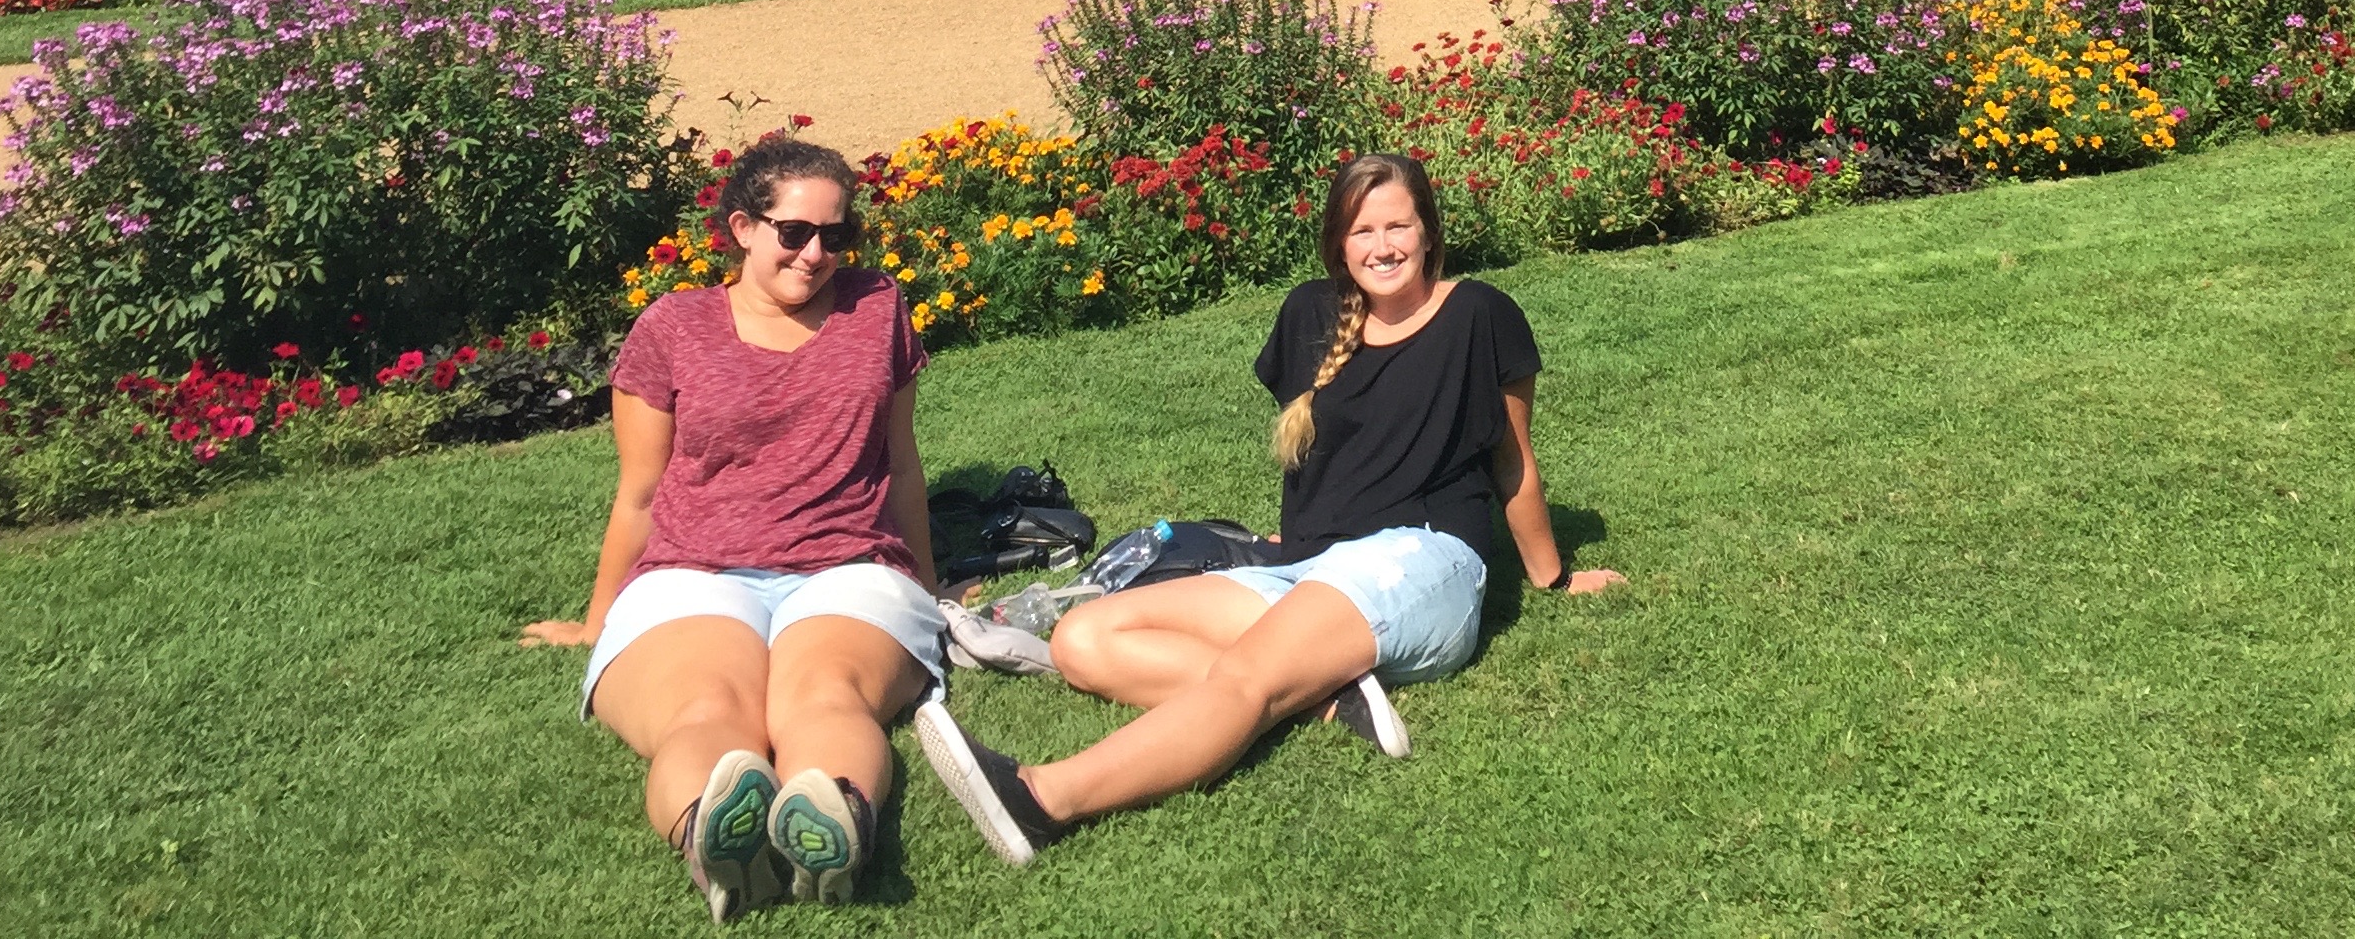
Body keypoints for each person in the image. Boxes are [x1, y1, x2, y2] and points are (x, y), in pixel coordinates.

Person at [909, 151, 1621, 866]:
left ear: (1429, 231)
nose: (1382, 247)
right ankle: (1326, 695)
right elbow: (1339, 456)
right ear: (1339, 243)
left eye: (1398, 226)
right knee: (1082, 639)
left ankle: (1042, 799)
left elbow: (1512, 459)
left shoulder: (1479, 314)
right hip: (1308, 567)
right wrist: (1306, 537)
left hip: (1420, 558)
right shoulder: (1312, 312)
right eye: (1362, 231)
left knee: (1245, 675)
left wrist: (1553, 576)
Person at [523, 138, 941, 921]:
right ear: (744, 228)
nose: (816, 255)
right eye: (795, 232)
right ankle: (713, 838)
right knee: (707, 708)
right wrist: (596, 620)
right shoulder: (674, 326)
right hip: (694, 571)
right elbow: (639, 493)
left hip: (848, 565)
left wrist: (930, 583)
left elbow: (904, 466)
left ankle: (832, 820)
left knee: (826, 697)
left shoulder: (876, 306)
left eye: (836, 235)